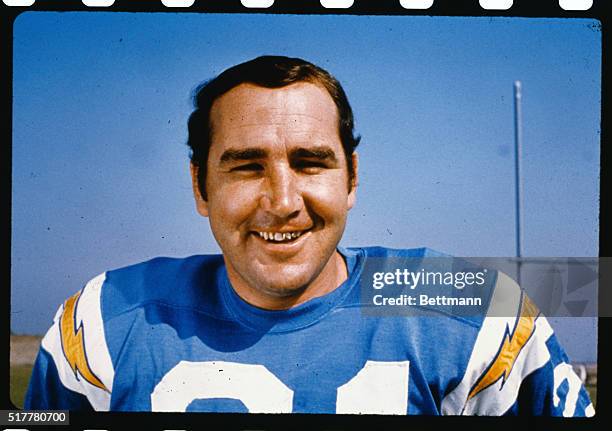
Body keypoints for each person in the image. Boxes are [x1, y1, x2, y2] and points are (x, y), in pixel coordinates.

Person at [25, 56, 594, 415]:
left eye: (310, 163)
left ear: (352, 178)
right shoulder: (105, 319)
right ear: (200, 186)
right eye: (246, 166)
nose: (282, 202)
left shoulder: (462, 302)